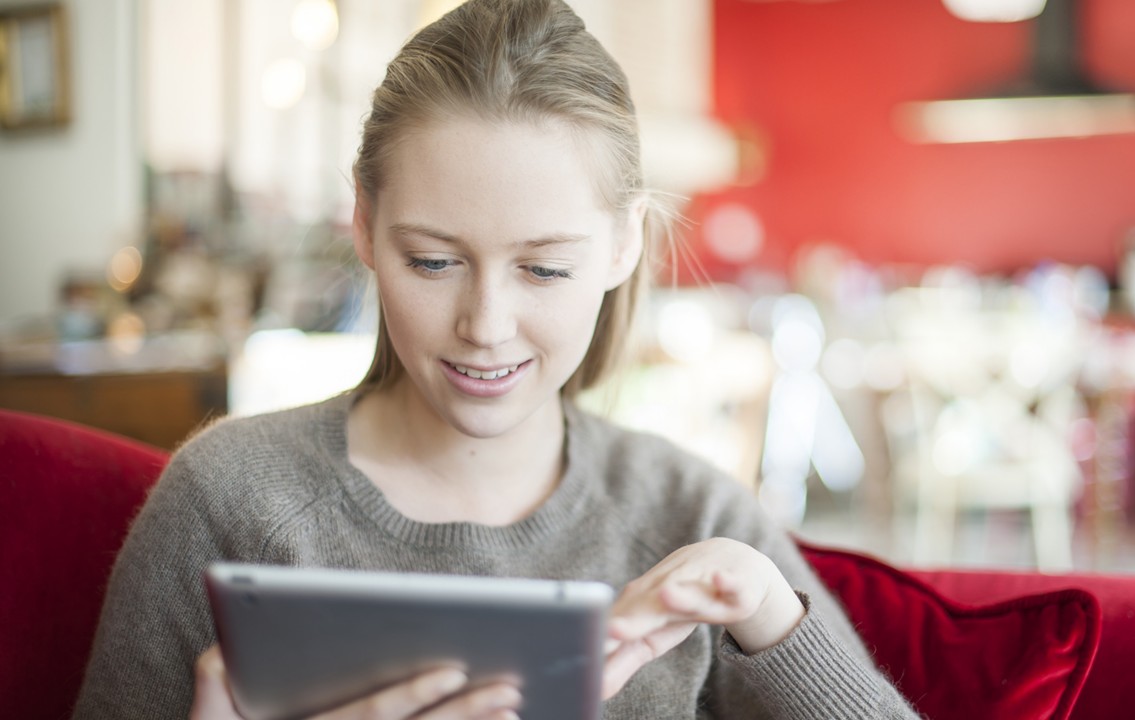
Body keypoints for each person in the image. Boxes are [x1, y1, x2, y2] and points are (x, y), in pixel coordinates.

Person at [73, 1, 920, 718]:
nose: (485, 325)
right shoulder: (228, 501)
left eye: (545, 269)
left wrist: (772, 617)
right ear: (364, 223)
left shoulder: (692, 516)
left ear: (625, 245)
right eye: (434, 263)